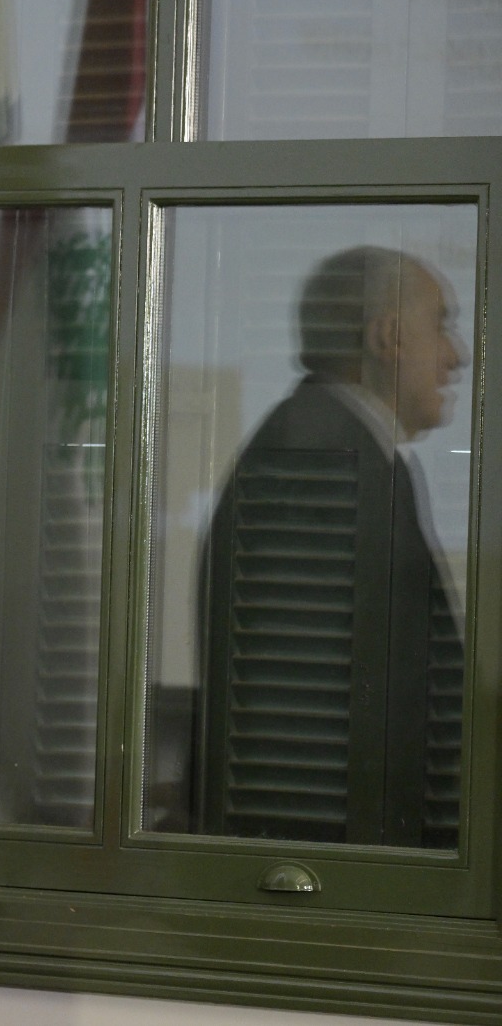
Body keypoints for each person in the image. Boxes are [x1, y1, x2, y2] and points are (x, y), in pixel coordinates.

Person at [197, 245, 466, 848]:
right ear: (388, 337)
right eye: (442, 325)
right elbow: (301, 725)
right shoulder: (323, 458)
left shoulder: (340, 446)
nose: (458, 356)